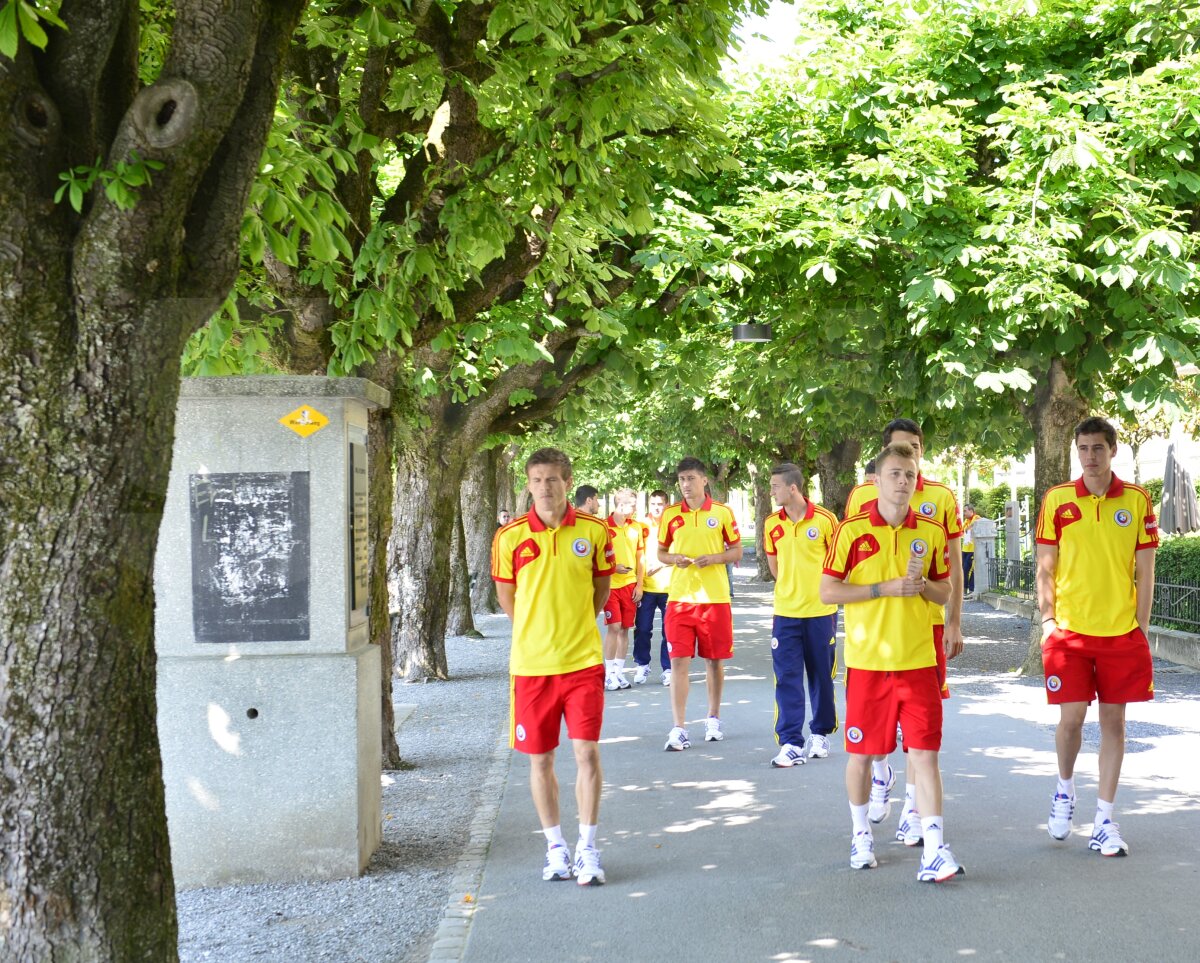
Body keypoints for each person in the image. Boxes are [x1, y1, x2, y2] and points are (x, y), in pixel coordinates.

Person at [820, 442, 964, 882]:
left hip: (919, 660)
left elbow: (945, 590)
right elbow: (828, 592)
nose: (903, 482)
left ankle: (935, 849)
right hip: (869, 663)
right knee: (864, 754)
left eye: (910, 475)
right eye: (895, 474)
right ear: (877, 481)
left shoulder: (932, 531)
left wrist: (921, 587)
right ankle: (861, 833)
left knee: (925, 755)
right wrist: (883, 588)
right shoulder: (851, 532)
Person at [492, 448, 615, 885]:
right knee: (540, 760)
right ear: (528, 484)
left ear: (568, 481)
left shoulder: (596, 531)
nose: (545, 487)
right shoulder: (509, 537)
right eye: (537, 479)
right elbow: (508, 600)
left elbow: (600, 591)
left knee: (587, 752)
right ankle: (556, 848)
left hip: (582, 661)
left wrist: (576, 624)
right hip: (531, 667)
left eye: (553, 479)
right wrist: (535, 630)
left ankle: (588, 847)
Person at [1035, 416, 1157, 857]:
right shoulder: (1058, 500)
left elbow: (1145, 569)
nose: (1090, 456)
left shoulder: (1139, 500)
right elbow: (1045, 566)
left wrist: (1140, 629)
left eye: (1098, 448)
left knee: (1115, 724)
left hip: (1120, 633)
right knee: (1071, 722)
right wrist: (1049, 622)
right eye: (1083, 448)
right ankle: (1064, 791)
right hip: (1070, 633)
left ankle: (1105, 819)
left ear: (1112, 451)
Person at [658, 458, 743, 750]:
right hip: (680, 599)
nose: (685, 484)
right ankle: (679, 727)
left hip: (715, 599)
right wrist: (674, 559)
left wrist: (715, 558)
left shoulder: (721, 512)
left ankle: (713, 717)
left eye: (691, 478)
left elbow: (736, 550)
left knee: (714, 661)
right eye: (681, 479)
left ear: (704, 480)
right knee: (678, 661)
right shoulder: (670, 514)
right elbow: (660, 552)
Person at [762, 463, 839, 767]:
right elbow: (774, 564)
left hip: (821, 611)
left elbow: (836, 563)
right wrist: (790, 590)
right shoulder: (771, 523)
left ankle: (819, 733)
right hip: (785, 613)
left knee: (821, 675)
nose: (772, 491)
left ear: (793, 488)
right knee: (787, 677)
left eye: (775, 486)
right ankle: (791, 742)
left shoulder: (825, 520)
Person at [603, 488, 645, 690]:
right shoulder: (603, 527)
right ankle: (608, 673)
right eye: (632, 503)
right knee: (614, 626)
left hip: (630, 585)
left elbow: (640, 558)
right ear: (620, 503)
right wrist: (612, 568)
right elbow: (595, 559)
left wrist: (639, 583)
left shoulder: (636, 527)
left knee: (625, 628)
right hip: (610, 586)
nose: (635, 507)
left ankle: (618, 672)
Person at [633, 489, 673, 685]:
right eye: (654, 504)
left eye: (661, 504)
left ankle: (668, 669)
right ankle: (642, 664)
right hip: (647, 587)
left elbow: (681, 553)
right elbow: (635, 552)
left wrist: (660, 564)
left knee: (670, 630)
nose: (657, 508)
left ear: (667, 504)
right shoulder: (641, 525)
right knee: (643, 628)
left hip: (669, 587)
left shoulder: (673, 524)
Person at [961, 504, 978, 595]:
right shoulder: (966, 520)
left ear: (971, 511)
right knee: (964, 570)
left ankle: (971, 589)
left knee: (971, 570)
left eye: (965, 511)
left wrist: (967, 528)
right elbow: (962, 530)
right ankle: (964, 589)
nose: (964, 513)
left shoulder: (977, 517)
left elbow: (970, 527)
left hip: (972, 550)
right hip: (965, 549)